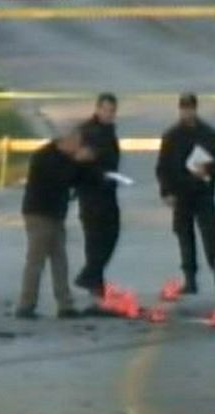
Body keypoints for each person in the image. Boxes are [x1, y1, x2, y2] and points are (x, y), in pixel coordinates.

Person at [156, 93, 215, 294]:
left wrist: (208, 168)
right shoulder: (171, 136)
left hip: (204, 193)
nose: (187, 112)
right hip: (182, 195)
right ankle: (190, 280)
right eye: (184, 109)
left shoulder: (209, 134)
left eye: (190, 108)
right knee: (184, 236)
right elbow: (163, 167)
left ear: (196, 109)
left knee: (211, 239)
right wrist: (166, 192)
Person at [16, 130, 94, 319]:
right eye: (76, 142)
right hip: (39, 214)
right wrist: (77, 161)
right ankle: (26, 305)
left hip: (56, 215)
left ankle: (65, 304)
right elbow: (61, 179)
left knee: (60, 259)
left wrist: (87, 164)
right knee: (36, 260)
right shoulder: (45, 157)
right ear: (64, 141)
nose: (78, 146)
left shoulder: (67, 158)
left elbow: (79, 179)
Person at [74, 93, 121, 305]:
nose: (109, 114)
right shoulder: (88, 131)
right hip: (91, 195)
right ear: (98, 108)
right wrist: (99, 175)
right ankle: (92, 280)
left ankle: (92, 278)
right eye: (106, 110)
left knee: (111, 234)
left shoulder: (109, 131)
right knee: (95, 240)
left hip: (108, 193)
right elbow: (81, 163)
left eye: (112, 111)